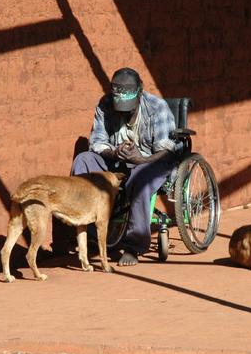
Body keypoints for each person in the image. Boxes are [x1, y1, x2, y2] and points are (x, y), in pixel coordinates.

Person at [71, 67, 178, 266]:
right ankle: (88, 230)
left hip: (152, 160)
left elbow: (168, 148)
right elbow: (97, 141)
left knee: (140, 179)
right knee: (83, 160)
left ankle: (134, 246)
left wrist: (141, 160)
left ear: (140, 91)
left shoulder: (157, 107)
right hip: (117, 158)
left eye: (129, 109)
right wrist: (114, 152)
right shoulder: (105, 104)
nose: (125, 112)